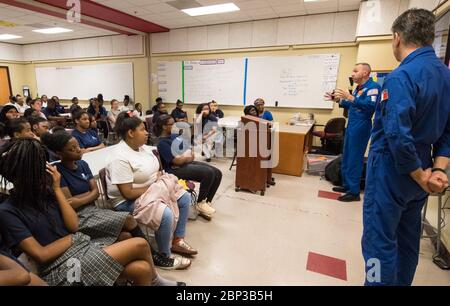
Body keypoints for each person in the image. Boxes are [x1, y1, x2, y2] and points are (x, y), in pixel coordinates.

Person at [0, 138, 184, 286]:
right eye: (41, 169)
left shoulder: (48, 193)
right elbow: (41, 254)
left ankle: (153, 280)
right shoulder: (8, 210)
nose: (47, 171)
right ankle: (157, 283)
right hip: (61, 268)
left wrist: (56, 189)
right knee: (139, 245)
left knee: (142, 269)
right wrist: (72, 239)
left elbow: (73, 225)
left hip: (79, 249)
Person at [362, 9, 450, 286]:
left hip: (393, 170)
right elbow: (448, 130)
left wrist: (418, 173)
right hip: (423, 168)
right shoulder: (444, 75)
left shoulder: (401, 76)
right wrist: (436, 170)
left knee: (378, 242)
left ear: (397, 37)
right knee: (407, 239)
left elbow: (398, 135)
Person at [106, 112, 195, 269]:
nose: (147, 132)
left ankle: (177, 240)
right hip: (127, 201)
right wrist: (155, 185)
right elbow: (127, 194)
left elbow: (156, 170)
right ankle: (164, 256)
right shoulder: (119, 157)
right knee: (165, 213)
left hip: (151, 190)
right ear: (131, 133)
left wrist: (159, 181)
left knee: (184, 197)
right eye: (142, 129)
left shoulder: (143, 149)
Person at [41, 131, 152, 250]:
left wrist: (82, 197)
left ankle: (138, 258)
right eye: (72, 149)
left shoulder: (83, 164)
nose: (78, 150)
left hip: (93, 210)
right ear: (59, 153)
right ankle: (152, 253)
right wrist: (89, 194)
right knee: (128, 219)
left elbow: (96, 193)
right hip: (79, 217)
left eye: (78, 146)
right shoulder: (58, 172)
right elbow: (70, 203)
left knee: (126, 236)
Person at [324, 63, 381, 202]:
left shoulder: (374, 88)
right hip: (352, 124)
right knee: (347, 155)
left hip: (362, 125)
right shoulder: (359, 88)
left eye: (356, 71)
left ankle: (354, 192)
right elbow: (353, 104)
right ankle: (347, 185)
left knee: (355, 158)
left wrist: (350, 97)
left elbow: (370, 106)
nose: (352, 73)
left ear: (365, 73)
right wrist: (338, 99)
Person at [156, 114, 222, 220]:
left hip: (183, 164)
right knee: (208, 173)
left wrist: (185, 156)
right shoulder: (162, 143)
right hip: (173, 170)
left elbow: (188, 150)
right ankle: (200, 203)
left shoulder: (174, 136)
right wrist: (186, 157)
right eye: (172, 124)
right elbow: (177, 161)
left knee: (217, 173)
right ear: (164, 126)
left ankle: (206, 203)